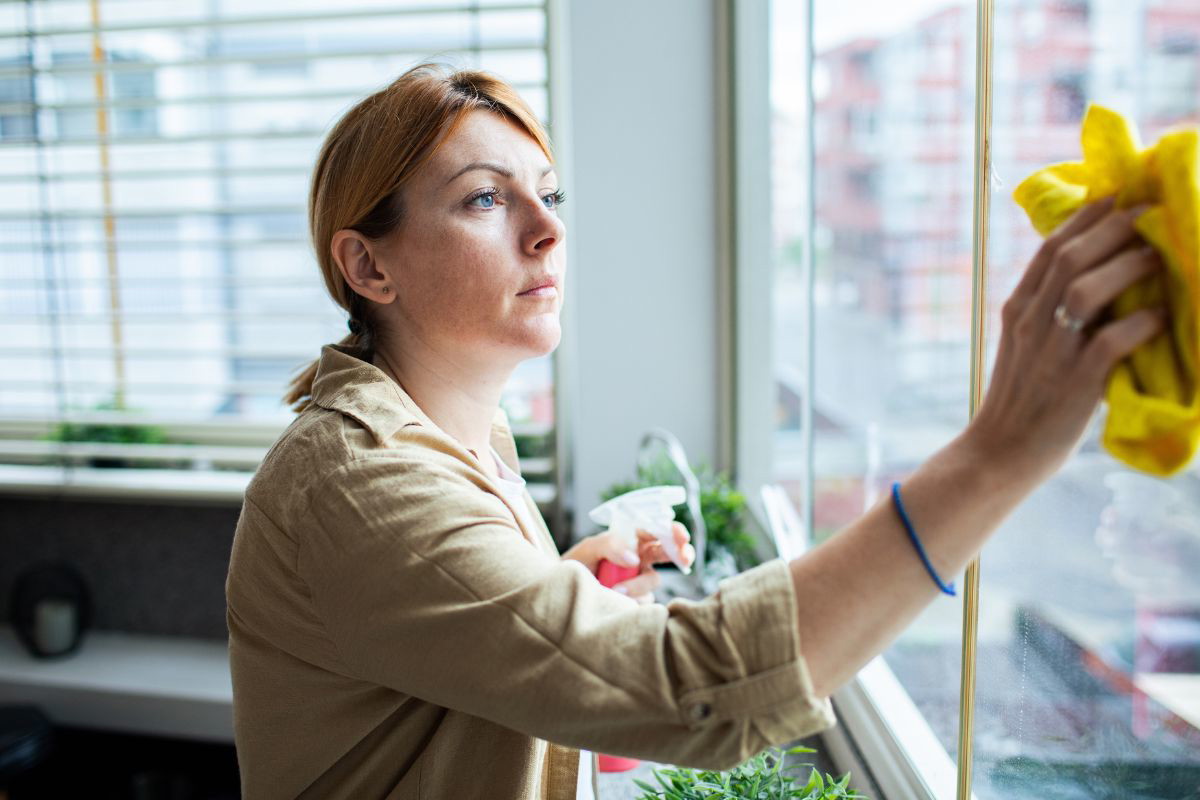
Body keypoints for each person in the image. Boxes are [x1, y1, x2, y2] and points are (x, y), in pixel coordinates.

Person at [224, 63, 1168, 799]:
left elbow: (441, 657)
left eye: (550, 195)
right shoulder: (362, 481)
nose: (548, 230)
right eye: (484, 198)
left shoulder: (458, 435)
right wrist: (1000, 453)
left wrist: (564, 585)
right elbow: (689, 689)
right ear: (369, 268)